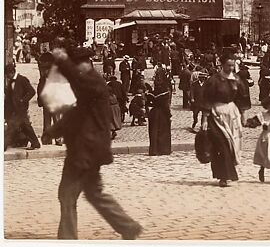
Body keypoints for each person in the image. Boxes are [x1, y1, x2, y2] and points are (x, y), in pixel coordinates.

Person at [42, 46, 142, 240]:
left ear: (86, 64)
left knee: (67, 195)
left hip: (85, 151)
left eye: (77, 66)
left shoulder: (94, 83)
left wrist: (63, 61)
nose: (76, 71)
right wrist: (53, 131)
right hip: (88, 150)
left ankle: (67, 240)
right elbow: (76, 114)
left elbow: (77, 83)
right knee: (94, 194)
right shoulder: (87, 88)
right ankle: (128, 227)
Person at [201, 52, 244, 188]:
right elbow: (206, 99)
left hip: (232, 114)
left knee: (233, 144)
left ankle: (230, 170)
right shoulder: (214, 81)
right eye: (228, 65)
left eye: (233, 65)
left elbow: (241, 98)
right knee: (221, 144)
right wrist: (205, 119)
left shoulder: (236, 80)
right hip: (217, 114)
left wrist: (243, 115)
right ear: (222, 64)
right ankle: (223, 176)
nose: (231, 68)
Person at [4, 62, 41, 151]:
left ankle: (3, 146)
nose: (7, 76)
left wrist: (23, 100)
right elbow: (9, 97)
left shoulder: (22, 79)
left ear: (12, 72)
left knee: (11, 127)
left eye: (7, 74)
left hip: (21, 108)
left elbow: (32, 91)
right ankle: (36, 143)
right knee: (26, 126)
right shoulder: (10, 82)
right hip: (14, 110)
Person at [37, 52, 63, 146]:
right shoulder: (43, 80)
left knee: (55, 120)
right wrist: (40, 99)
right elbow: (39, 89)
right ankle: (48, 139)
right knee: (47, 120)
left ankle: (58, 139)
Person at [147, 68, 172, 155]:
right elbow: (165, 105)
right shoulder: (164, 93)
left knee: (153, 131)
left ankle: (154, 150)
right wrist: (169, 114)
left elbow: (147, 103)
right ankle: (163, 149)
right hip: (162, 114)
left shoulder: (151, 93)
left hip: (153, 113)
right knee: (163, 132)